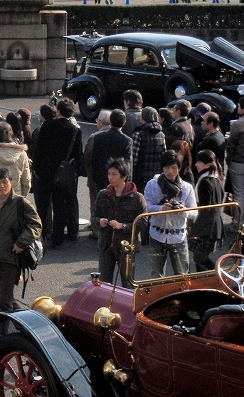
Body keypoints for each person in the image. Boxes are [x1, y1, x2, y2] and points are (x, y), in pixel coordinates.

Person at [0, 168, 42, 339]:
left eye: (4, 182)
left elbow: (36, 225)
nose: (1, 186)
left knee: (4, 300)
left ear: (11, 182)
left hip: (11, 257)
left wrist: (21, 242)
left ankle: (0, 336)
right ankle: (28, 326)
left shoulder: (21, 203)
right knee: (5, 297)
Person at [31, 98, 82, 244]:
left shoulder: (47, 125)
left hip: (45, 170)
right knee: (60, 205)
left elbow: (39, 148)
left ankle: (41, 233)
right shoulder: (74, 130)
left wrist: (35, 168)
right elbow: (77, 154)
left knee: (43, 205)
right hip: (62, 172)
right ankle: (58, 238)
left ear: (58, 111)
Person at [92, 158, 147, 288]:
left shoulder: (137, 198)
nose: (110, 177)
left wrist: (123, 226)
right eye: (109, 174)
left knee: (128, 284)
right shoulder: (102, 194)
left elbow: (143, 222)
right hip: (106, 245)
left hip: (126, 247)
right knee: (104, 284)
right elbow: (94, 217)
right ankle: (104, 308)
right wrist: (100, 221)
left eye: (114, 174)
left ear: (124, 177)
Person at [143, 150, 198, 277]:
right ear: (162, 168)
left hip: (178, 236)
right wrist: (161, 208)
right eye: (167, 167)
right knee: (156, 275)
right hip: (156, 234)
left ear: (179, 168)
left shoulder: (186, 187)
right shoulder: (152, 184)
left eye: (174, 167)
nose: (170, 171)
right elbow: (145, 208)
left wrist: (182, 211)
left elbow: (194, 213)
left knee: (182, 275)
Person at [190, 150, 225, 271]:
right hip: (215, 225)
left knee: (199, 261)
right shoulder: (217, 179)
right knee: (203, 259)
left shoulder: (205, 181)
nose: (196, 164)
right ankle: (218, 276)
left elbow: (205, 209)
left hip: (206, 227)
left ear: (208, 164)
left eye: (199, 161)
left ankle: (217, 280)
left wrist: (196, 231)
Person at [226, 96, 244, 214]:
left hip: (238, 162)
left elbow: (231, 145)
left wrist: (229, 160)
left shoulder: (238, 124)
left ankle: (238, 222)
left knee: (238, 193)